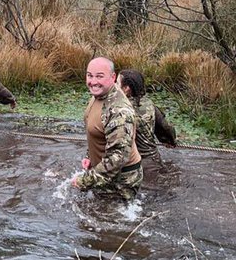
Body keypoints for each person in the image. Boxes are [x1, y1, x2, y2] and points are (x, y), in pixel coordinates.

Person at [72, 56, 142, 200]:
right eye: (89, 75)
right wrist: (89, 156)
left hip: (121, 181)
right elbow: (99, 131)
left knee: (106, 220)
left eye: (99, 76)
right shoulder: (99, 94)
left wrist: (84, 181)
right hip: (104, 172)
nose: (93, 81)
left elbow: (117, 158)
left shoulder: (119, 111)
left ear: (113, 77)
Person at [118, 68, 177, 163]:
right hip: (153, 159)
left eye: (117, 84)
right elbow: (165, 127)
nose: (114, 86)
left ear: (126, 89)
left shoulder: (121, 108)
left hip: (134, 162)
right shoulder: (150, 105)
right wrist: (170, 141)